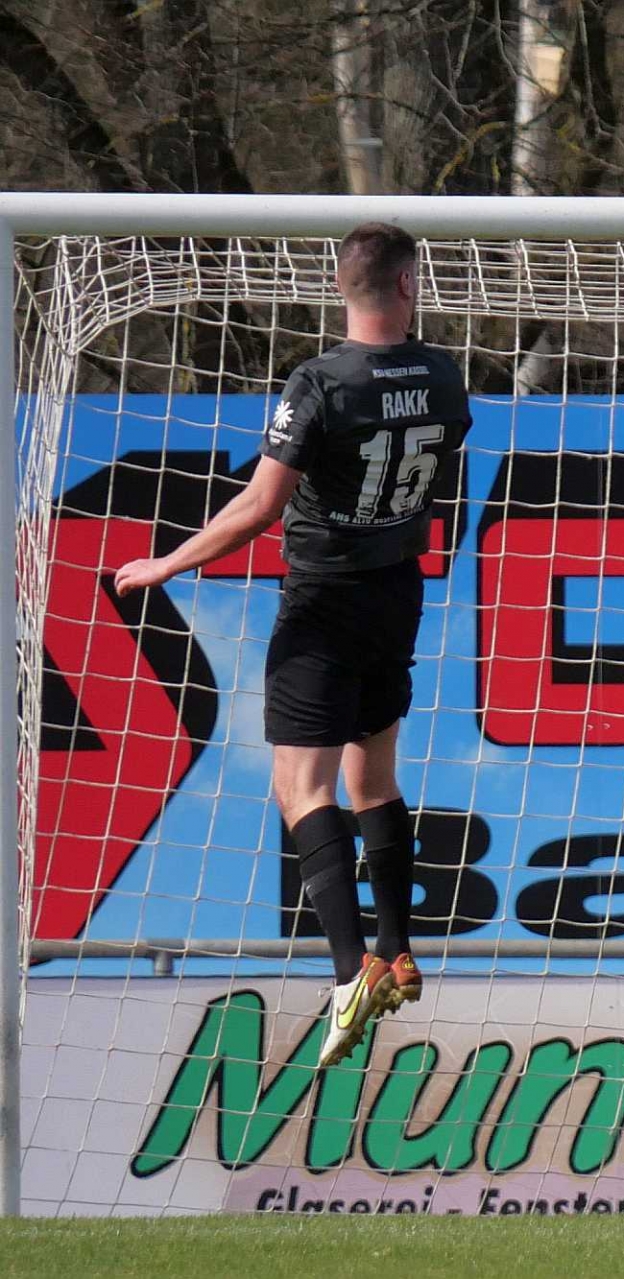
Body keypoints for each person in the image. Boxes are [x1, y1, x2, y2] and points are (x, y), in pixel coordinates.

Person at [114, 222, 470, 1067]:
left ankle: (350, 971)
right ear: (409, 284)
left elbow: (260, 506)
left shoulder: (318, 382)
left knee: (298, 781)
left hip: (324, 599)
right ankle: (397, 946)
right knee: (371, 773)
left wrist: (168, 560)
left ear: (340, 286)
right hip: (397, 588)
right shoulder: (443, 373)